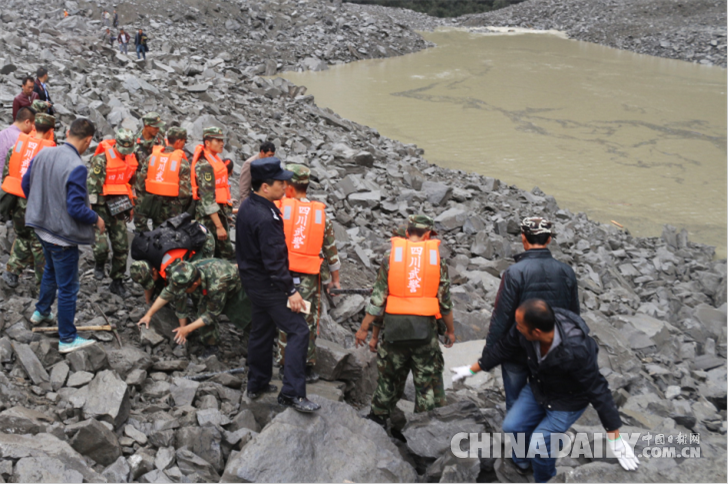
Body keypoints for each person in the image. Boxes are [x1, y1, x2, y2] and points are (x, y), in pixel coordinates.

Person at [453, 299, 639, 482]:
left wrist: (615, 438)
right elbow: (502, 349)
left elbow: (599, 390)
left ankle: (545, 479)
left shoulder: (577, 350)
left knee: (539, 444)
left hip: (567, 402)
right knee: (512, 426)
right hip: (540, 388)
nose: (516, 327)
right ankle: (523, 462)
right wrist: (471, 370)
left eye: (520, 325)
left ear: (536, 332)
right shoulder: (523, 330)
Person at [355, 214, 456, 425]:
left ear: (407, 232)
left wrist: (366, 330)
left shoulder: (390, 257)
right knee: (427, 382)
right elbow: (444, 303)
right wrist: (450, 331)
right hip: (425, 334)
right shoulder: (438, 261)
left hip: (394, 331)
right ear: (428, 234)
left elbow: (378, 299)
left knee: (389, 377)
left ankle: (377, 419)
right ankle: (425, 427)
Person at [236, 158, 319, 413]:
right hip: (268, 285)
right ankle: (293, 394)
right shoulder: (265, 217)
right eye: (280, 182)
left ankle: (257, 383)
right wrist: (291, 292)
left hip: (253, 282)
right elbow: (274, 261)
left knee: (262, 330)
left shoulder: (249, 205)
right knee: (298, 331)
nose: (286, 186)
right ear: (264, 186)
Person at [479, 217, 579, 412]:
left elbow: (502, 317)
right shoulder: (567, 272)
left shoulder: (515, 272)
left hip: (517, 351)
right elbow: (573, 316)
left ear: (523, 238)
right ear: (549, 240)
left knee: (515, 405)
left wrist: (490, 352)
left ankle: (519, 442)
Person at [21, 118, 104, 353]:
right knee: (68, 287)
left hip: (40, 227)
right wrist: (96, 219)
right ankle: (67, 338)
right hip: (61, 236)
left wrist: (40, 205)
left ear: (67, 132)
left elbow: (27, 184)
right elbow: (75, 208)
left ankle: (42, 311)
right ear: (88, 141)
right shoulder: (76, 166)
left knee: (50, 270)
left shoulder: (44, 153)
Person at [274, 164, 341, 383]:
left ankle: (285, 364)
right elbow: (331, 253)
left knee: (286, 319)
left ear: (289, 188)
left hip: (283, 275)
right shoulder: (321, 216)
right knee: (307, 320)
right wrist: (335, 280)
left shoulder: (279, 209)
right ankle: (307, 365)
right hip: (309, 278)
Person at [137, 259, 251, 357]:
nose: (182, 293)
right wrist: (149, 314)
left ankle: (252, 346)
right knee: (201, 311)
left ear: (195, 284)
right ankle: (212, 346)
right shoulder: (184, 272)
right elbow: (168, 292)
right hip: (208, 285)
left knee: (247, 318)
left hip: (238, 289)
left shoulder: (217, 284)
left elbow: (211, 314)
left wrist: (187, 329)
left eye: (185, 290)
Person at [1, 113, 56, 288]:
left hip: (16, 201)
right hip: (37, 204)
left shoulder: (17, 146)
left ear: (34, 127)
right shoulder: (51, 153)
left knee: (23, 236)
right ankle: (43, 282)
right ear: (50, 131)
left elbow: (6, 175)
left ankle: (12, 271)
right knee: (39, 241)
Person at [87, 129, 138, 297]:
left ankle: (117, 280)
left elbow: (129, 184)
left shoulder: (131, 159)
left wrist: (130, 205)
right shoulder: (101, 161)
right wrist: (92, 215)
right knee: (101, 247)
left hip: (118, 206)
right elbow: (92, 188)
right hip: (101, 207)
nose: (125, 154)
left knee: (122, 247)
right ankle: (99, 263)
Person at [130, 217, 215, 304]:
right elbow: (147, 277)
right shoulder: (141, 251)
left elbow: (179, 291)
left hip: (201, 235)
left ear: (154, 269)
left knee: (198, 275)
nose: (152, 281)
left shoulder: (171, 267)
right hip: (182, 228)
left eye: (152, 279)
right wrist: (148, 303)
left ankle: (202, 300)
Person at [190, 127, 234, 259]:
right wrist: (219, 226)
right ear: (207, 143)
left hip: (218, 213)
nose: (222, 143)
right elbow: (207, 199)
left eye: (222, 140)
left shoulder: (215, 160)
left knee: (224, 254)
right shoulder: (205, 166)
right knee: (208, 254)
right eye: (218, 140)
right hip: (208, 218)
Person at [136, 127, 192, 228]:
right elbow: (184, 193)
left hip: (153, 206)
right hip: (172, 211)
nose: (184, 145)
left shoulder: (151, 158)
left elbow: (141, 183)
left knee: (155, 233)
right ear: (178, 142)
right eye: (184, 142)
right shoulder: (182, 163)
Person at [132, 112, 165, 229]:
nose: (158, 129)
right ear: (146, 125)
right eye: (155, 126)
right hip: (140, 189)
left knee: (160, 223)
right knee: (140, 223)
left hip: (158, 187)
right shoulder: (133, 142)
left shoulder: (160, 140)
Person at [0, 107, 35, 174]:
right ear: (27, 122)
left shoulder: (1, 133)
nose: (33, 128)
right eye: (33, 124)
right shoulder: (22, 140)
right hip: (7, 181)